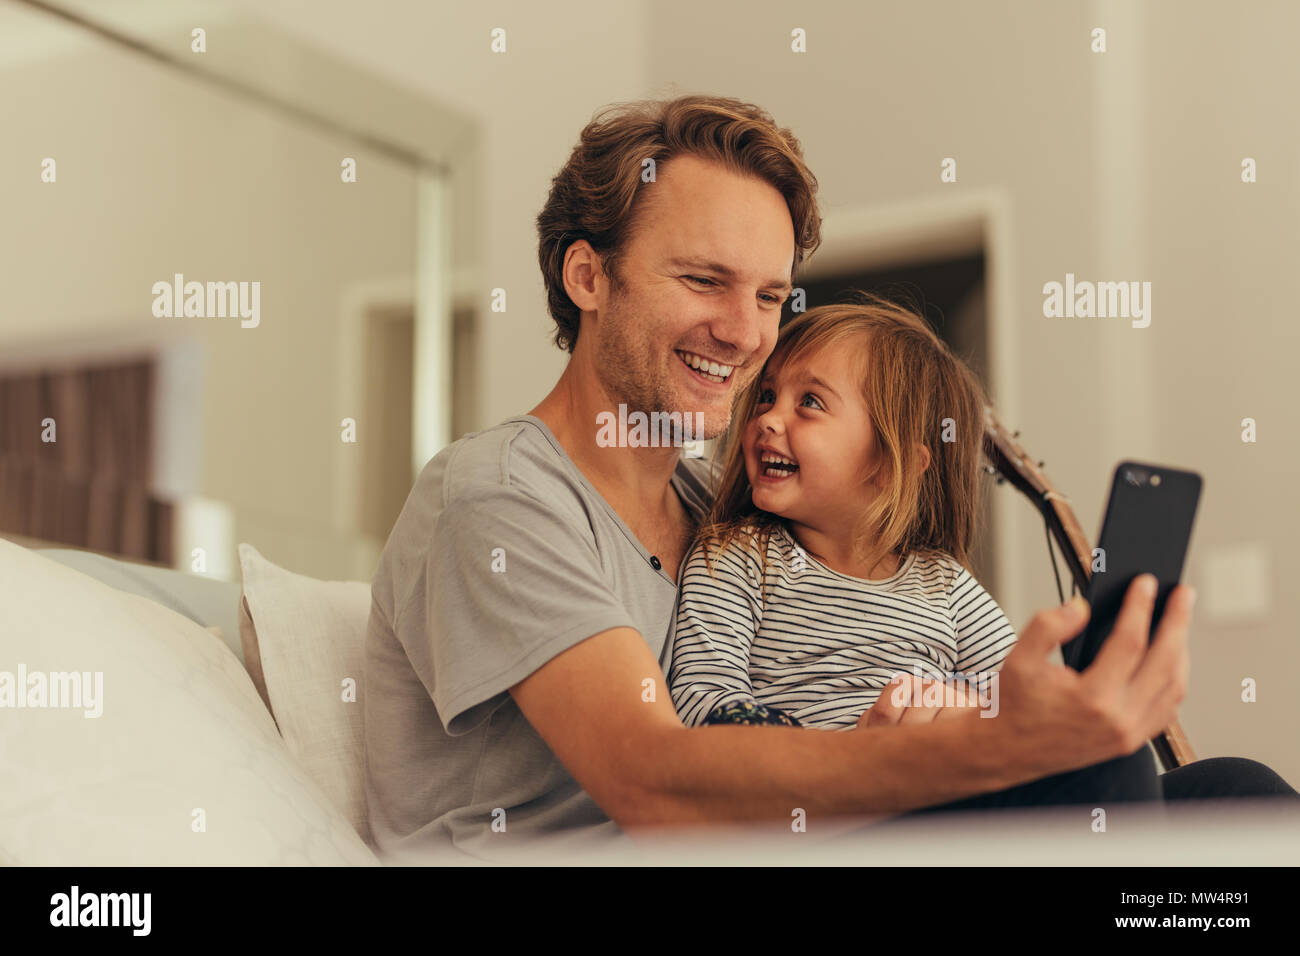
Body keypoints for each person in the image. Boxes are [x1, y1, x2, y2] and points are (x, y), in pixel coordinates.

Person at [361, 94, 1292, 864]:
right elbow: (651, 778)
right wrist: (988, 747)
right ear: (587, 276)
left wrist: (1029, 710)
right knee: (1094, 786)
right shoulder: (498, 497)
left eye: (769, 296)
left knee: (1241, 802)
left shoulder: (721, 511)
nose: (745, 332)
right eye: (703, 281)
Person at [669, 296, 1017, 733]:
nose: (768, 419)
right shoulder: (737, 558)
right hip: (809, 793)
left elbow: (1026, 701)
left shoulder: (944, 584)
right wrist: (848, 755)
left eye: (810, 402)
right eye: (768, 396)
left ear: (892, 466)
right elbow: (705, 700)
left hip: (938, 789)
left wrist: (970, 710)